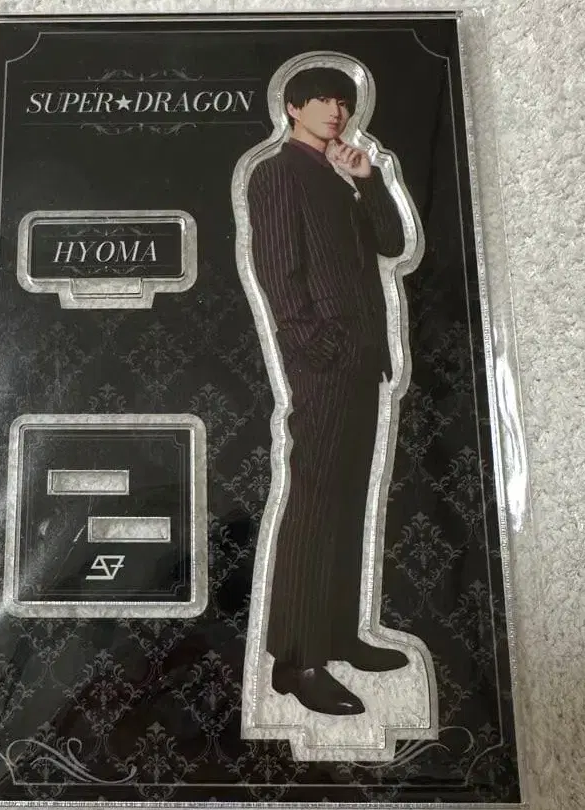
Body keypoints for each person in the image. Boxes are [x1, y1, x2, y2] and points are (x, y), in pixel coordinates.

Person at [247, 67, 408, 716]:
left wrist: (369, 180)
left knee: (346, 499)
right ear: (292, 107)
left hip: (362, 357)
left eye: (343, 100)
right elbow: (278, 271)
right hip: (326, 361)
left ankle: (337, 635)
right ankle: (298, 661)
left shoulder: (339, 174)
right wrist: (315, 347)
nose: (336, 110)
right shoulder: (277, 173)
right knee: (315, 499)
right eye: (322, 99)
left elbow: (392, 244)